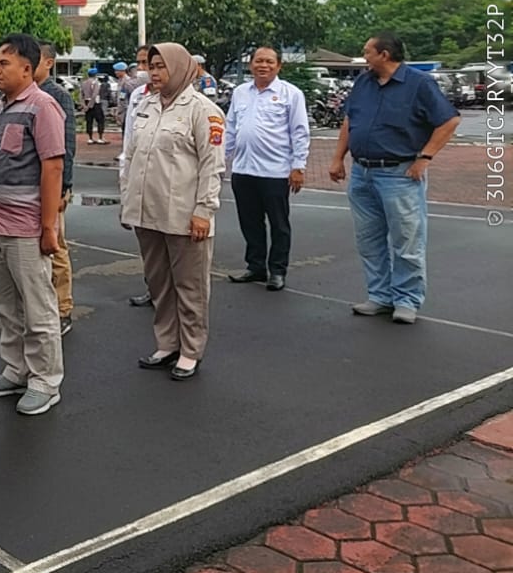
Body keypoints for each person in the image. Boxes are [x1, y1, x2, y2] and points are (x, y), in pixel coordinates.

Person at [328, 33, 460, 324]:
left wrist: (425, 157)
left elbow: (449, 120)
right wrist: (338, 158)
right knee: (369, 239)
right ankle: (380, 296)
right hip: (362, 172)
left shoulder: (419, 84)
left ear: (384, 55)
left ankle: (406, 300)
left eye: (367, 51)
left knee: (406, 240)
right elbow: (350, 120)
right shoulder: (364, 82)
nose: (364, 56)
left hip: (399, 174)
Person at [121, 43, 224, 380]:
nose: (153, 72)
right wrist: (127, 200)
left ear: (180, 68)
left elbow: (212, 166)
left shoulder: (203, 110)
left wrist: (204, 211)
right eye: (151, 66)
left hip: (184, 215)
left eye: (161, 66)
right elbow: (130, 156)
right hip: (146, 211)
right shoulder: (145, 105)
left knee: (190, 287)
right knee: (159, 284)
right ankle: (167, 343)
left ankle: (190, 350)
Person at [0, 33, 66, 416]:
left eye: (4, 64)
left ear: (27, 69)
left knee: (38, 308)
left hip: (26, 226)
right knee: (5, 305)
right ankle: (16, 370)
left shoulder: (43, 107)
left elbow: (53, 166)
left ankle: (45, 381)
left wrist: (48, 227)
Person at [225, 46, 310, 292]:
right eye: (259, 61)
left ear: (278, 66)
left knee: (279, 224)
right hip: (243, 170)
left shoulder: (291, 94)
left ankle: (278, 271)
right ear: (251, 64)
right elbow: (231, 128)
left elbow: (300, 131)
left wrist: (298, 166)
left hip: (275, 171)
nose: (264, 65)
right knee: (250, 222)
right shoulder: (240, 92)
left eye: (269, 62)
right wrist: (220, 160)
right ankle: (256, 267)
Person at [34, 42, 76, 335]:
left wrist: (63, 188)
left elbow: (67, 145)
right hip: (29, 185)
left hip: (54, 184)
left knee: (56, 247)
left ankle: (63, 309)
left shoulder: (57, 95)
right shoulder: (20, 94)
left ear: (48, 62)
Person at [118, 45, 156, 307]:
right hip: (140, 179)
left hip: (169, 183)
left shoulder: (187, 99)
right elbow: (128, 142)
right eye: (141, 63)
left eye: (150, 64)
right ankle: (153, 287)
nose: (143, 70)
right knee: (148, 244)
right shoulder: (137, 96)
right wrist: (125, 187)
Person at [80, 69, 105, 143]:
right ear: (95, 75)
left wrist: (84, 105)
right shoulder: (96, 82)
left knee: (89, 120)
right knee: (100, 120)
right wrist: (90, 105)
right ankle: (100, 138)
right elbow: (94, 94)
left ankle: (90, 138)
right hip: (95, 103)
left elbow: (81, 95)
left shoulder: (83, 83)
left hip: (86, 101)